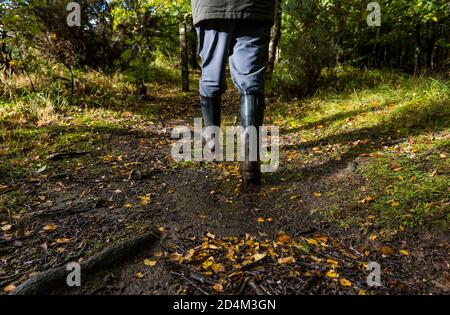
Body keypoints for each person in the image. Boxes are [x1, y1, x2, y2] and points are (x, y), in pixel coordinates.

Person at [191, 0, 275, 187]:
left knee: (211, 75)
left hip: (211, 7)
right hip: (255, 6)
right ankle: (250, 160)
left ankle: (212, 144)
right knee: (251, 79)